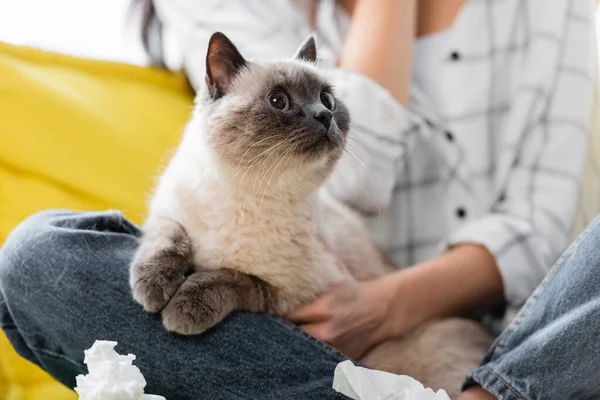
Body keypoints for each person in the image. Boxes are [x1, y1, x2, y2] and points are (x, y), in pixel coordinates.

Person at [0, 0, 597, 398]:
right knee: (36, 259)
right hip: (282, 341)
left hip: (492, 341)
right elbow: (355, 174)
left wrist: (381, 306)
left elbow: (537, 228)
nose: (317, 112)